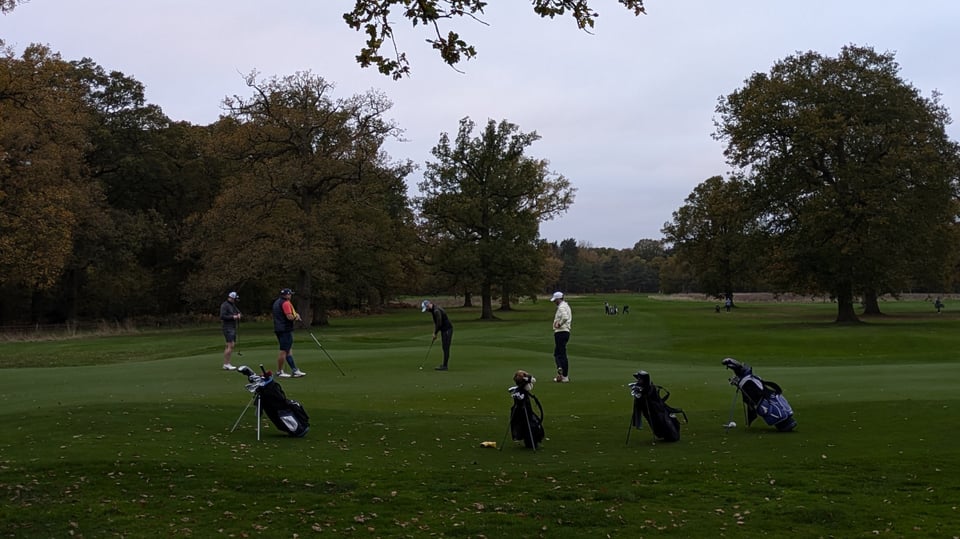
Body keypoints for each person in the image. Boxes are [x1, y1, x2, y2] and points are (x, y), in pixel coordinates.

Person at [273, 288, 306, 378]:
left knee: (288, 350)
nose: (291, 296)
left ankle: (294, 370)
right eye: (290, 294)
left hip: (279, 328)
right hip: (285, 329)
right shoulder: (286, 303)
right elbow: (289, 316)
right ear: (286, 295)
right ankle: (279, 371)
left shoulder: (277, 302)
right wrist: (296, 317)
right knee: (284, 350)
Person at [421, 299, 454, 371]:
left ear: (428, 305)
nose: (426, 310)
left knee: (446, 347)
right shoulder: (434, 310)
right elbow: (437, 323)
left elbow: (439, 323)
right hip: (444, 330)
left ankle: (445, 366)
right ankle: (444, 365)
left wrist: (435, 333)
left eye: (426, 309)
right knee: (444, 347)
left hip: (447, 330)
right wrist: (435, 333)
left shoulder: (436, 311)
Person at [551, 291, 572, 383]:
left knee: (560, 354)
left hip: (561, 332)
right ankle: (561, 372)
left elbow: (565, 317)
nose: (554, 302)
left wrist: (559, 324)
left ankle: (564, 375)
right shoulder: (566, 306)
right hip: (564, 332)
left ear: (558, 299)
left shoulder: (562, 307)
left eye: (555, 300)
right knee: (558, 353)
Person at [219, 291, 241, 370]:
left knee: (231, 345)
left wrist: (238, 314)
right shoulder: (225, 305)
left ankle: (227, 363)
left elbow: (238, 311)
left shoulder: (232, 305)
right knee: (230, 345)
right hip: (227, 327)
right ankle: (226, 364)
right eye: (234, 299)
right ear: (231, 298)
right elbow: (222, 316)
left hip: (232, 327)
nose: (235, 300)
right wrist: (233, 317)